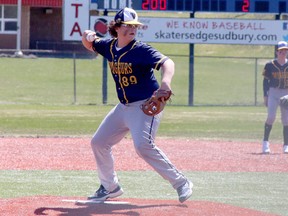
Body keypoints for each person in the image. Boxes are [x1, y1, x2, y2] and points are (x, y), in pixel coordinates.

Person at [81, 7, 193, 203]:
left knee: (143, 146)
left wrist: (166, 83)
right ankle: (110, 186)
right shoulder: (109, 46)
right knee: (98, 142)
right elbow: (90, 44)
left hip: (144, 106)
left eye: (135, 26)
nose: (132, 29)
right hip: (123, 107)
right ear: (116, 27)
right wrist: (86, 36)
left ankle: (181, 182)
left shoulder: (141, 50)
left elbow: (168, 63)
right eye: (127, 26)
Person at [262, 40, 288, 154]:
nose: (283, 53)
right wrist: (265, 95)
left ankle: (286, 145)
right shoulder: (270, 65)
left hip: (286, 92)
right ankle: (265, 143)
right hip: (273, 92)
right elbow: (265, 81)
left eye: (285, 50)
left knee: (286, 119)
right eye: (281, 51)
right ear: (277, 52)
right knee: (271, 117)